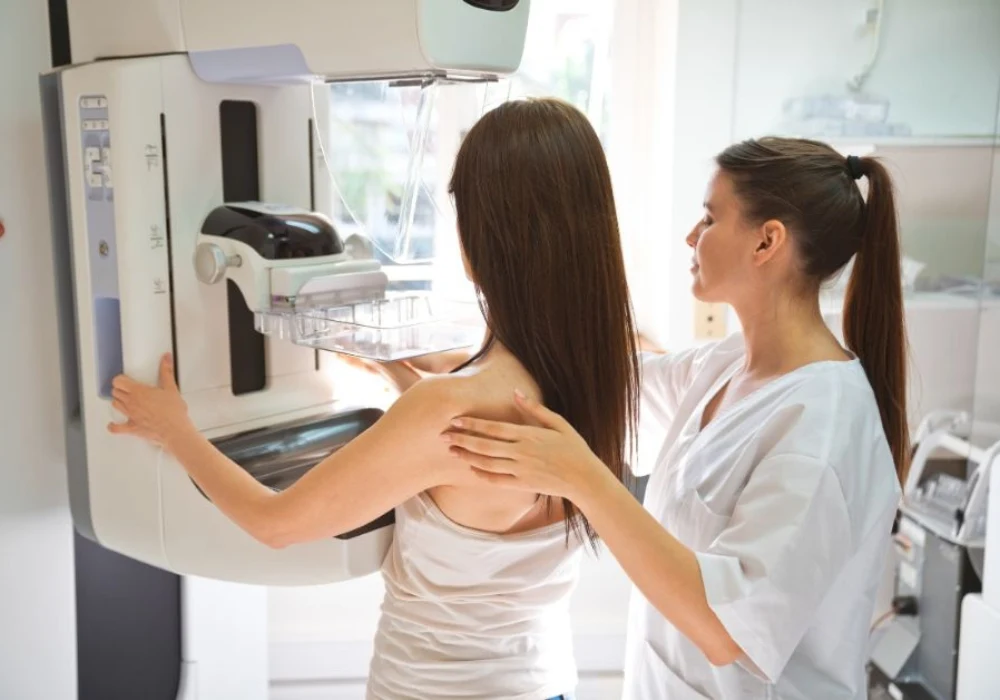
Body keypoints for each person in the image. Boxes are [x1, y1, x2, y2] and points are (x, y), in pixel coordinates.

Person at [106, 98, 641, 700]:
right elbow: (477, 463)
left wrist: (177, 430)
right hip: (546, 684)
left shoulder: (447, 408)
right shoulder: (600, 374)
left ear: (480, 244)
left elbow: (275, 524)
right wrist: (395, 370)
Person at [445, 137, 907, 699]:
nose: (692, 236)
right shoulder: (727, 366)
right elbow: (611, 384)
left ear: (767, 241)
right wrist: (418, 364)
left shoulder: (823, 429)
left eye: (710, 218)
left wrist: (584, 479)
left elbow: (725, 630)